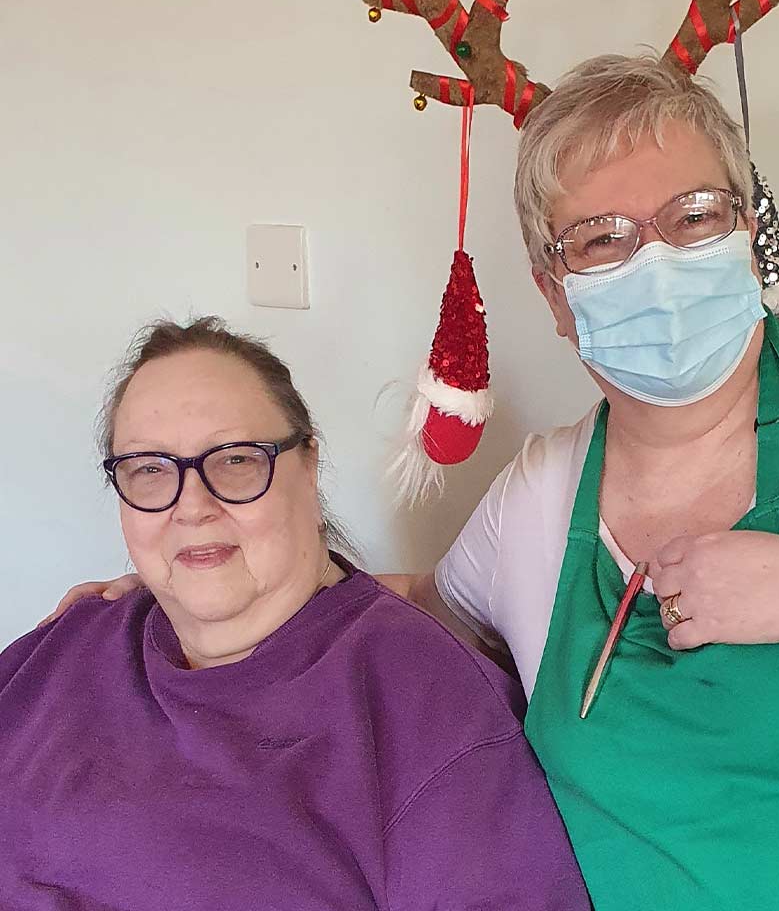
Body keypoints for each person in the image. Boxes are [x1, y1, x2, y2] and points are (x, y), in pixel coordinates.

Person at [51, 54, 779, 910]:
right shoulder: (542, 490)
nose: (656, 262)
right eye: (601, 239)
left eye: (693, 218)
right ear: (553, 295)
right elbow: (430, 608)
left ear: (750, 232)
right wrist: (200, 573)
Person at [1, 317, 588, 911]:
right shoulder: (65, 646)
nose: (192, 506)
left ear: (309, 463)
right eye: (150, 470)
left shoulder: (429, 712)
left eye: (235, 460)